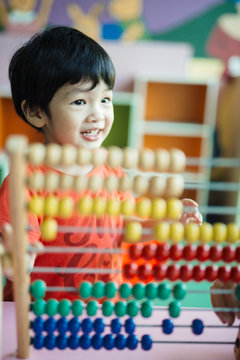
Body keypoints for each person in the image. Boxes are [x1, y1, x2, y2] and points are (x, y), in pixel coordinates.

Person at [0, 25, 202, 301]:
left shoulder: (112, 172)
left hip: (103, 315)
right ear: (36, 112)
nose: (98, 115)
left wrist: (166, 221)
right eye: (80, 101)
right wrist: (13, 258)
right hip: (43, 319)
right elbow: (22, 265)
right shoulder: (26, 184)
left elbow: (124, 228)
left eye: (105, 99)